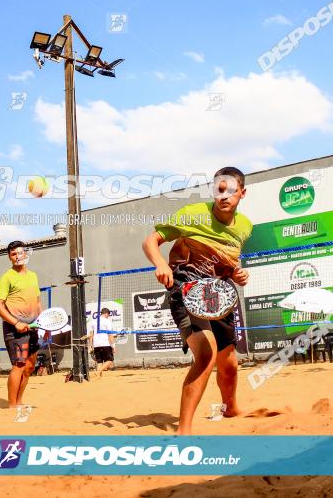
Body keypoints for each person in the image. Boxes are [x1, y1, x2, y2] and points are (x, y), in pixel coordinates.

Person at [142, 166, 251, 435]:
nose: (224, 195)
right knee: (206, 352)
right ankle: (185, 431)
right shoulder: (192, 215)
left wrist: (238, 273)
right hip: (186, 286)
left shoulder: (246, 226)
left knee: (229, 362)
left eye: (230, 190)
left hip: (219, 292)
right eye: (219, 190)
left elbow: (228, 261)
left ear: (243, 192)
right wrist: (161, 265)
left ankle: (231, 408)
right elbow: (151, 241)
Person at [0, 240, 42, 408]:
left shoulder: (33, 276)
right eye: (13, 254)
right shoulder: (6, 278)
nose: (17, 256)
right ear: (9, 257)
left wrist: (43, 324)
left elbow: (37, 302)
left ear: (25, 254)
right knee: (19, 365)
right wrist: (16, 322)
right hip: (15, 329)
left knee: (29, 367)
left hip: (33, 327)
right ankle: (12, 405)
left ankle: (19, 401)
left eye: (20, 253)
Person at [90, 307, 116, 377]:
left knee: (99, 362)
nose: (108, 316)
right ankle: (98, 372)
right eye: (108, 315)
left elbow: (91, 334)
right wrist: (113, 345)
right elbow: (110, 334)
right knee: (110, 360)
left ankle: (98, 378)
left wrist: (91, 345)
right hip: (105, 344)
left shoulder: (93, 321)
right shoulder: (107, 321)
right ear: (107, 314)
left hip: (96, 344)